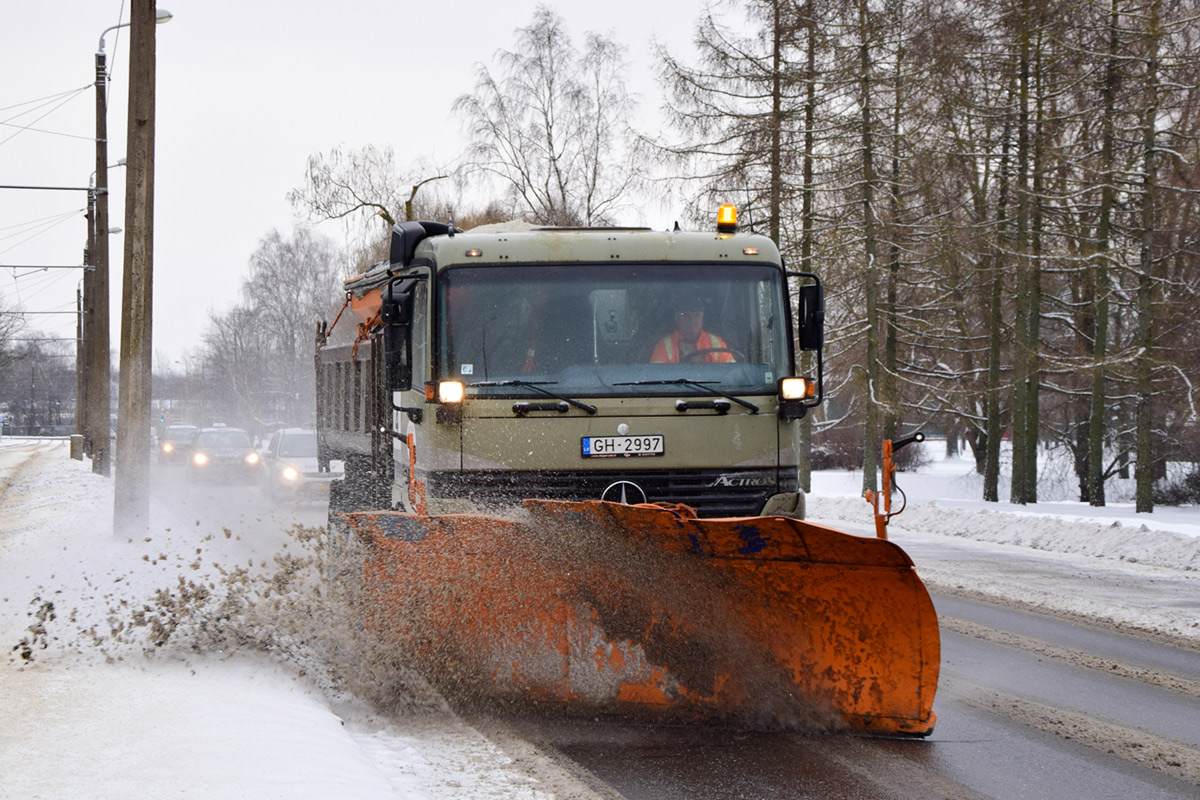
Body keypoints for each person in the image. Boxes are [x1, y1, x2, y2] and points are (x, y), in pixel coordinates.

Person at [650, 302, 735, 363]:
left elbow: (730, 375)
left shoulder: (717, 343)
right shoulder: (664, 346)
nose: (692, 320)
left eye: (697, 315)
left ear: (702, 319)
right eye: (685, 315)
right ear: (677, 319)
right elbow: (656, 378)